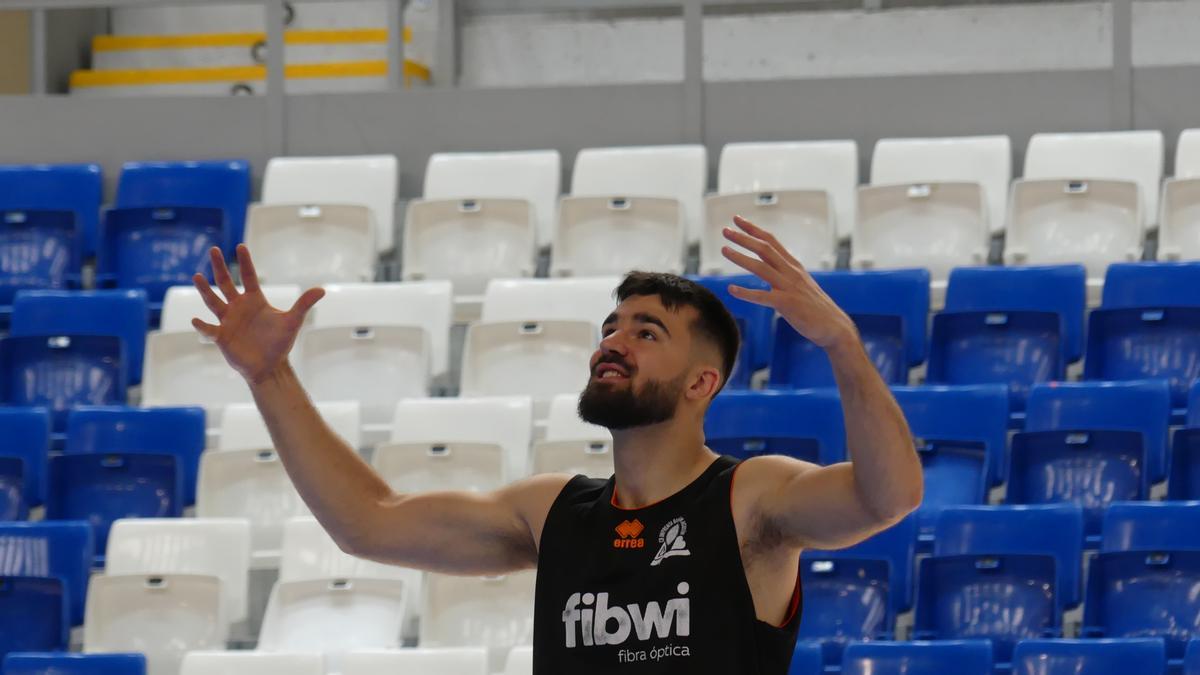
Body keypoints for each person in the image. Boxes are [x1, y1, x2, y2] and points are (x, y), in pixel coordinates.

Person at [191, 215, 923, 674]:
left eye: (647, 331)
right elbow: (366, 520)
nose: (615, 342)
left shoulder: (750, 498)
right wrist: (268, 374)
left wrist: (840, 341)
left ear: (704, 381)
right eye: (611, 326)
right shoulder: (551, 510)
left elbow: (888, 497)